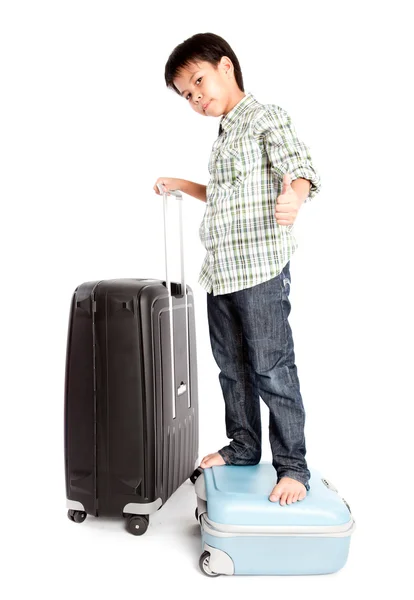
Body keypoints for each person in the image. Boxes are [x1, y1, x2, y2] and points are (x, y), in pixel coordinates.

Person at [153, 32, 322, 506]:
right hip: (222, 271)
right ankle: (245, 447)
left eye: (199, 82)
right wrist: (182, 184)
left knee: (271, 368)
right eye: (187, 95)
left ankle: (293, 466)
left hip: (261, 269)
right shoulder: (224, 132)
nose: (197, 98)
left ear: (226, 67)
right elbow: (226, 194)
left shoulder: (264, 117)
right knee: (232, 369)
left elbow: (299, 164)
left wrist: (295, 194)